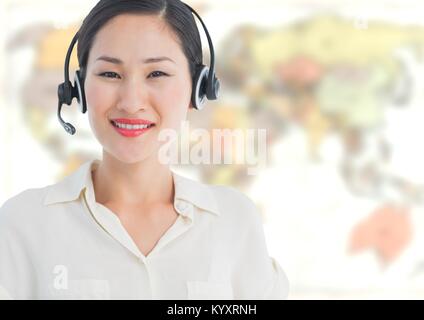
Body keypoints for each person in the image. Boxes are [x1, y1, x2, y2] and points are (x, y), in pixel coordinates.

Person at [0, 0, 289, 300]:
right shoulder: (24, 224)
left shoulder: (234, 222)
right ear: (78, 88)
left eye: (157, 74)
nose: (131, 101)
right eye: (110, 74)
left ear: (199, 88)